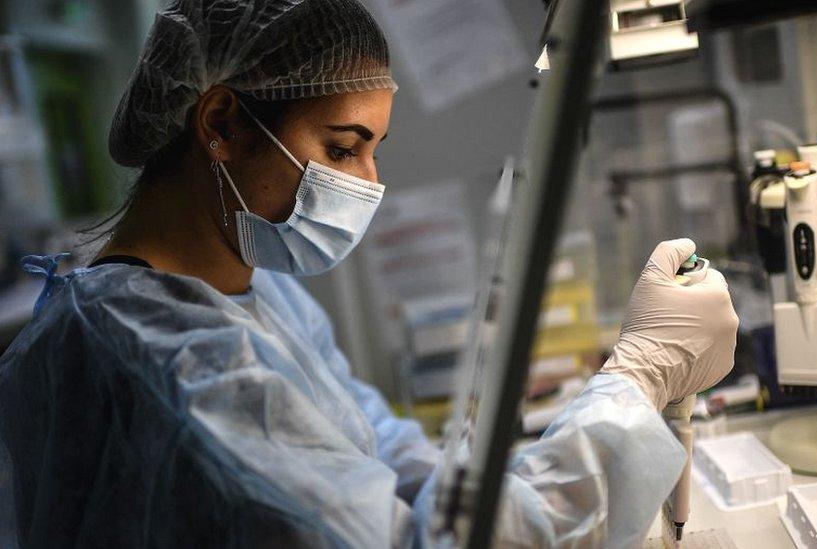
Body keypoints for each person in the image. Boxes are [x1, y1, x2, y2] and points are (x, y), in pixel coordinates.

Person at [0, 0, 738, 546]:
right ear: (220, 124)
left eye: (374, 148)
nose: (369, 183)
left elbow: (384, 452)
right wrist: (639, 378)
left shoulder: (255, 295)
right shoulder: (171, 371)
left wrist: (527, 467)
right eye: (344, 146)